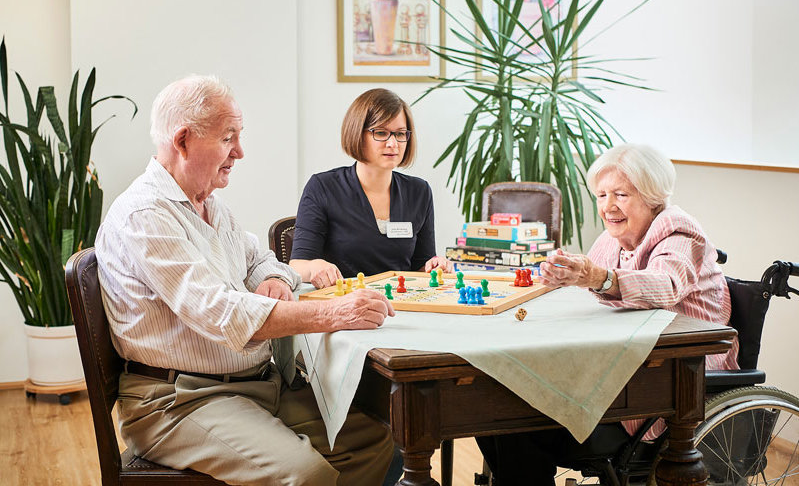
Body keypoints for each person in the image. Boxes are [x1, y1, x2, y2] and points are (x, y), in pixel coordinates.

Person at [95, 75, 395, 486]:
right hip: (179, 402)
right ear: (183, 141)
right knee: (305, 474)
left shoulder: (208, 203)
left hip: (251, 386)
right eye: (227, 138)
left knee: (376, 438)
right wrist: (333, 313)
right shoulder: (144, 215)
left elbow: (262, 259)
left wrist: (273, 280)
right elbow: (220, 312)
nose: (239, 151)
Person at [476, 143, 739, 486]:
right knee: (492, 412)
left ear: (651, 195)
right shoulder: (617, 234)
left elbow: (666, 285)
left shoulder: (679, 230)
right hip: (628, 364)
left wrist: (596, 277)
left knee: (518, 425)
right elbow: (587, 286)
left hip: (673, 378)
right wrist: (563, 276)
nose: (607, 206)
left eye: (620, 194)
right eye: (601, 195)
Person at [290, 88, 451, 289]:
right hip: (344, 305)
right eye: (381, 133)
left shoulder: (419, 192)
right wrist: (315, 266)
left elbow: (420, 268)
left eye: (400, 134)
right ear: (357, 133)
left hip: (402, 304)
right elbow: (297, 265)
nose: (393, 143)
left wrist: (434, 267)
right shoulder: (323, 187)